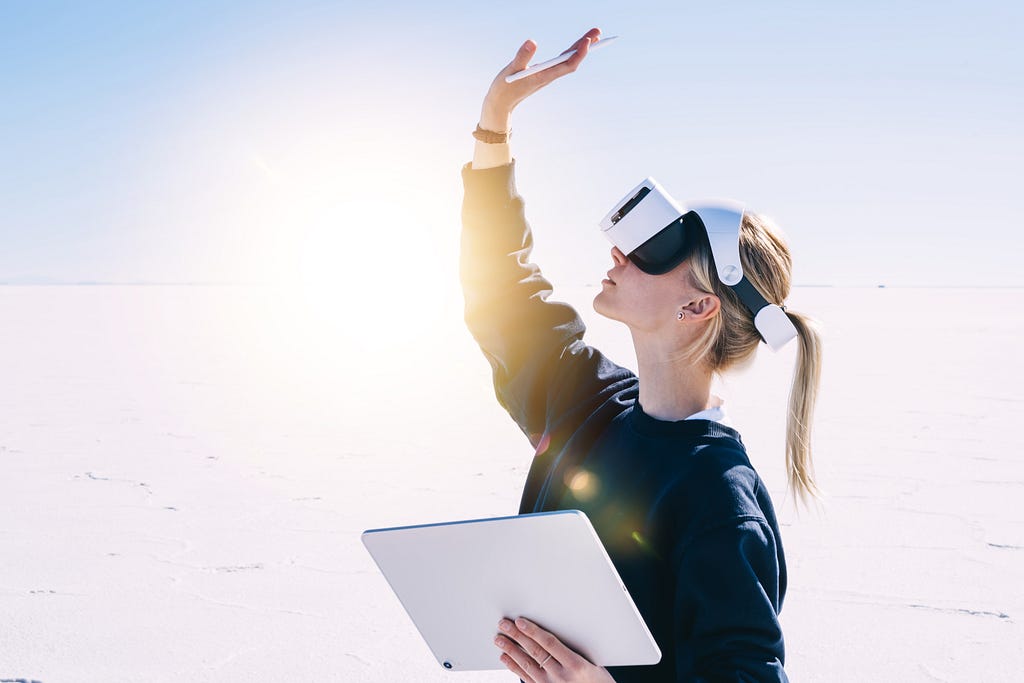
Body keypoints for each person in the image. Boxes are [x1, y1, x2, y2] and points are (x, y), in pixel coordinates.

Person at [460, 27, 823, 683]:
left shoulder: (718, 497)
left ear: (698, 307)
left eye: (656, 251)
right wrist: (494, 126)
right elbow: (502, 294)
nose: (618, 256)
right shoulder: (586, 401)